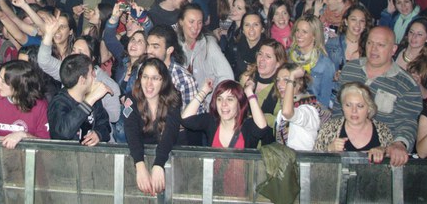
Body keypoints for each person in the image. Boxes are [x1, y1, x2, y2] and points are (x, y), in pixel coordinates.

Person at [334, 26, 423, 166]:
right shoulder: (350, 69)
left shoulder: (406, 85)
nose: (373, 49)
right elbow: (338, 108)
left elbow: (408, 122)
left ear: (393, 49)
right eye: (370, 43)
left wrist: (399, 144)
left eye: (380, 45)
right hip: (343, 145)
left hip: (382, 152)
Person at [124, 58, 182, 197]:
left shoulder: (174, 99)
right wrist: (139, 164)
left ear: (163, 81)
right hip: (139, 156)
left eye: (155, 78)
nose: (149, 83)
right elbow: (131, 132)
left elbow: (171, 132)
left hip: (168, 157)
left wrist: (158, 164)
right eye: (145, 77)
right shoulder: (130, 99)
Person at [314, 82, 394, 164]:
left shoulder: (383, 130)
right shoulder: (329, 129)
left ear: (369, 108)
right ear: (342, 107)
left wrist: (384, 151)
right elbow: (313, 164)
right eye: (348, 105)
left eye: (360, 106)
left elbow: (396, 166)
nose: (354, 111)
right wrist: (329, 150)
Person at [181, 77, 272, 148]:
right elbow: (186, 119)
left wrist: (249, 92)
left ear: (239, 103)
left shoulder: (247, 126)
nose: (224, 104)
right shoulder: (211, 121)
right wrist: (203, 92)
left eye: (230, 99)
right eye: (219, 99)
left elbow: (262, 129)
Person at [0, 60, 50, 149]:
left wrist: (23, 135)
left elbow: (45, 145)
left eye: (3, 81)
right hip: (2, 156)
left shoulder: (39, 106)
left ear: (18, 85)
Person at [47, 53, 112, 144]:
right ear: (82, 80)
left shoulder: (94, 99)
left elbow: (105, 125)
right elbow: (63, 133)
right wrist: (89, 100)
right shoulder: (59, 102)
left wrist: (98, 134)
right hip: (65, 156)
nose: (95, 76)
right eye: (92, 73)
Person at [177, 4, 234, 103]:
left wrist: (214, 100)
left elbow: (228, 76)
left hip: (206, 108)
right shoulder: (176, 44)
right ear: (181, 22)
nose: (196, 27)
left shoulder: (209, 45)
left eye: (199, 22)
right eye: (191, 22)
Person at [272, 62, 328, 151]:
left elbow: (288, 112)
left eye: (286, 80)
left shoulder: (309, 110)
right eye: (278, 80)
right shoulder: (282, 111)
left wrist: (292, 76)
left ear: (300, 83)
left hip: (304, 162)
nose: (279, 84)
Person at [288, 14, 335, 107]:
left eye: (304, 32)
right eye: (297, 30)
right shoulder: (288, 56)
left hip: (311, 113)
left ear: (314, 36)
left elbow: (324, 101)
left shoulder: (325, 64)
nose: (298, 35)